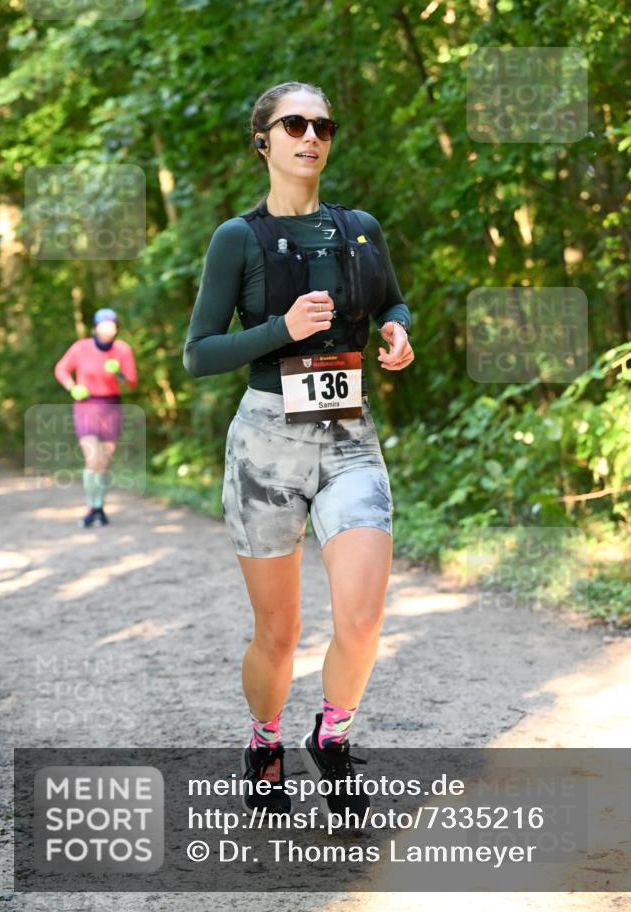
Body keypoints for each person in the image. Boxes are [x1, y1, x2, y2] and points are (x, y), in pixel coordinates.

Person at [183, 81, 414, 820]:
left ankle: (333, 735)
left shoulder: (360, 229)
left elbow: (391, 299)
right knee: (278, 635)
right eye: (294, 124)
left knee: (362, 617)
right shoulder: (237, 238)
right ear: (265, 141)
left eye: (322, 124)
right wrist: (280, 329)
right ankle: (263, 739)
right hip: (265, 445)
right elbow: (199, 354)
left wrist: (396, 331)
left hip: (348, 438)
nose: (310, 136)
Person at [54, 308, 138, 527]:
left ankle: (99, 507)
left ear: (116, 327)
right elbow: (61, 369)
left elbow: (131, 382)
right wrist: (73, 387)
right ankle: (91, 507)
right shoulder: (81, 348)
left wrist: (118, 373)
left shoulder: (122, 350)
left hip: (111, 405)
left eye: (112, 324)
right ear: (95, 326)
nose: (108, 327)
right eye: (104, 323)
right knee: (93, 459)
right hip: (86, 404)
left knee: (105, 461)